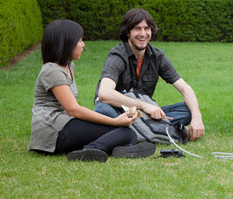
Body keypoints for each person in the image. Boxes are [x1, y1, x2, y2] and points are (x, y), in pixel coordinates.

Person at [29, 19, 155, 162]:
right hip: (52, 132)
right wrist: (114, 121)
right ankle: (90, 150)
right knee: (123, 132)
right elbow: (73, 110)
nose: (83, 44)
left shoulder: (69, 66)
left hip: (65, 125)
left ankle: (117, 149)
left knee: (128, 134)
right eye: (80, 41)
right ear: (66, 43)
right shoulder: (51, 71)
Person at [93, 8, 205, 142]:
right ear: (128, 32)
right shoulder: (117, 55)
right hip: (119, 111)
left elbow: (184, 88)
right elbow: (104, 94)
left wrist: (197, 117)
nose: (143, 34)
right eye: (137, 29)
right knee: (102, 109)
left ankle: (139, 132)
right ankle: (170, 131)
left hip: (145, 115)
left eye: (147, 28)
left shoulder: (157, 56)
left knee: (188, 110)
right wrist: (144, 105)